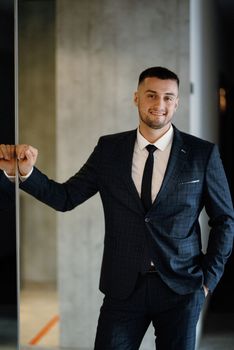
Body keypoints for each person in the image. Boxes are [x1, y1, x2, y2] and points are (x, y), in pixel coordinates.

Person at [1, 67, 234, 350]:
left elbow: (224, 220)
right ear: (136, 98)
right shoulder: (109, 149)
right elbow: (66, 197)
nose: (159, 105)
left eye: (168, 97)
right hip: (123, 289)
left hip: (182, 289)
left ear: (177, 102)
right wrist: (25, 172)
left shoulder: (202, 154)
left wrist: (208, 280)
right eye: (151, 95)